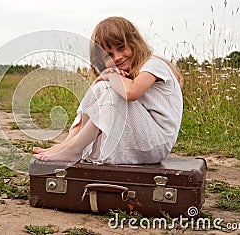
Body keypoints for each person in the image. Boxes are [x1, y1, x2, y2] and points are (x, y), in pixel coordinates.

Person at [33, 16, 183, 165]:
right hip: (135, 140)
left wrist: (111, 76)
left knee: (111, 92)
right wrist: (102, 80)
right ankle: (68, 144)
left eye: (121, 47)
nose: (117, 57)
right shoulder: (124, 74)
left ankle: (75, 149)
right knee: (101, 88)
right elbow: (92, 105)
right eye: (109, 55)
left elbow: (132, 92)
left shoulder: (153, 64)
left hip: (156, 143)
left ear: (134, 43)